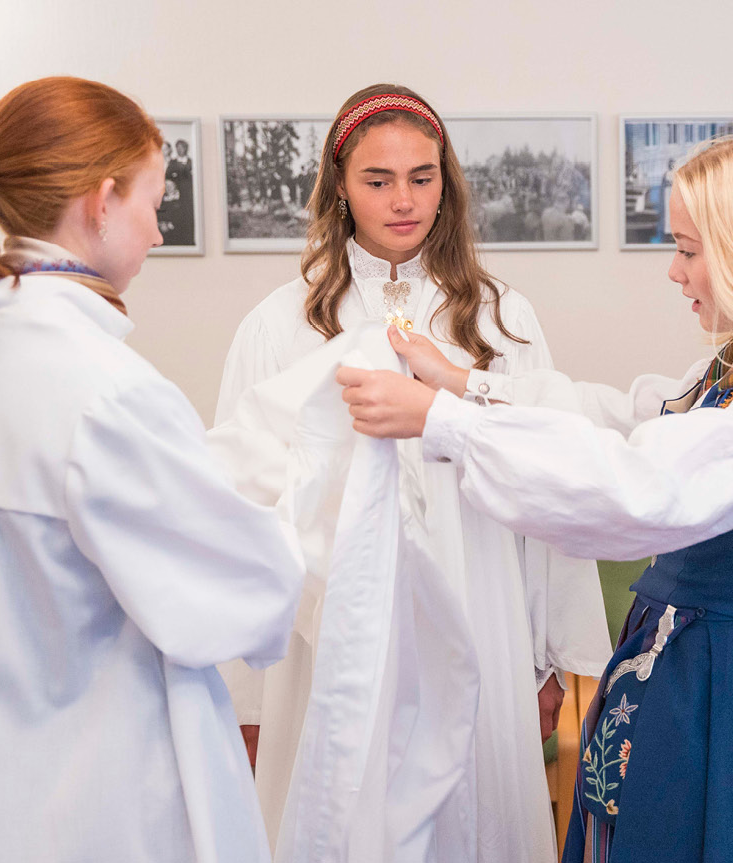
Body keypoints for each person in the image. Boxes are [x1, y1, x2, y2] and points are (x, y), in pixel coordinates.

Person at [338, 133, 733, 863]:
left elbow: (640, 488)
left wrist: (443, 422)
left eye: (689, 249)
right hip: (686, 675)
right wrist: (462, 381)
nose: (675, 270)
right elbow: (619, 418)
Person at [0, 76, 302, 862]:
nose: (159, 232)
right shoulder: (106, 388)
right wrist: (305, 485)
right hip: (89, 796)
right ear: (102, 200)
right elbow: (239, 593)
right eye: (154, 203)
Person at [215, 83, 610, 863]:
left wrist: (548, 659)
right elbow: (241, 507)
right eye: (378, 179)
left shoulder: (502, 316)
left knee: (474, 815)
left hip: (480, 605)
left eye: (422, 177)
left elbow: (547, 485)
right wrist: (246, 692)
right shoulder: (278, 324)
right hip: (327, 632)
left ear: (445, 182)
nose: (404, 200)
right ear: (339, 186)